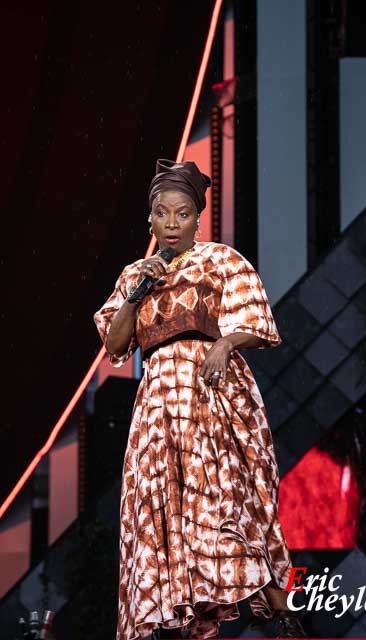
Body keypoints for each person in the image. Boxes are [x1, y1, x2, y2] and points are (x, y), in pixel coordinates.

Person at [93, 159, 308, 640]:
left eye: (183, 214)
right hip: (158, 403)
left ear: (197, 217)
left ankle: (285, 617)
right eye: (162, 214)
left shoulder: (222, 260)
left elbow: (255, 322)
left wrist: (225, 344)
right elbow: (115, 345)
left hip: (212, 391)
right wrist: (138, 292)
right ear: (150, 218)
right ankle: (192, 620)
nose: (172, 223)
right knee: (165, 508)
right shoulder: (134, 276)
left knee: (228, 500)